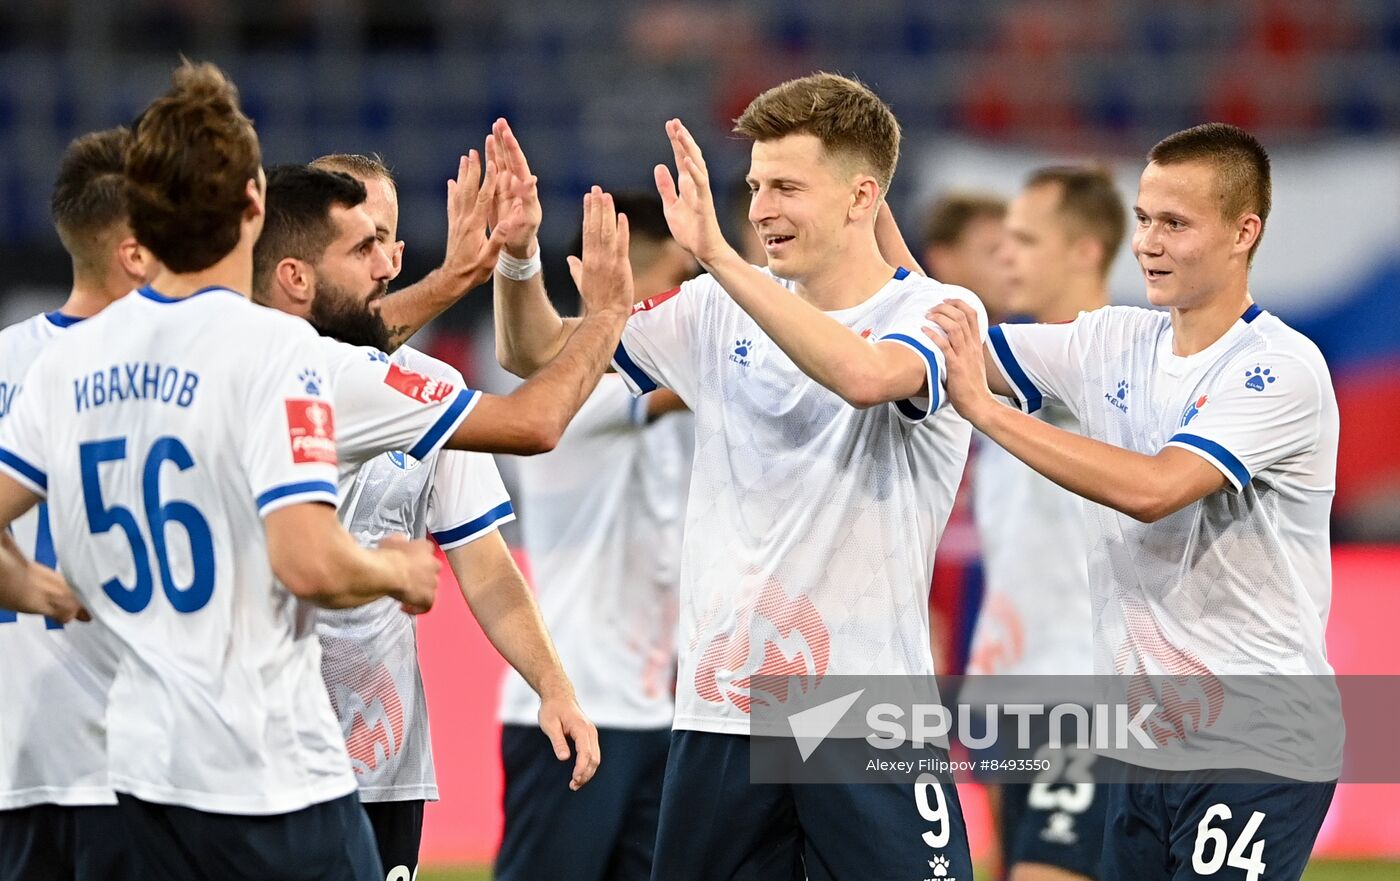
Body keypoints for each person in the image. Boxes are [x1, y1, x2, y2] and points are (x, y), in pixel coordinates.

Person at [492, 75, 985, 880]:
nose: (759, 209)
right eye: (754, 186)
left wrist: (717, 256)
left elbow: (861, 375)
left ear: (863, 196)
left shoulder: (934, 312)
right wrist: (516, 259)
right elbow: (537, 351)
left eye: (787, 186)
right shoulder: (712, 312)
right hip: (721, 712)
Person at [0, 61, 441, 881]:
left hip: (137, 775)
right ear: (253, 204)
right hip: (269, 773)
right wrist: (394, 568)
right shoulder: (275, 350)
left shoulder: (66, 365)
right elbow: (307, 558)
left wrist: (27, 585)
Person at [927, 123, 1340, 881]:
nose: (1148, 242)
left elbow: (1156, 489)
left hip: (1255, 743)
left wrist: (989, 413)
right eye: (1145, 218)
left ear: (1244, 231)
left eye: (1175, 224)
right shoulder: (1111, 341)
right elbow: (944, 356)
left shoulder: (1280, 368)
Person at [253, 161, 592, 881]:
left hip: (383, 758)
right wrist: (609, 312)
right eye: (362, 244)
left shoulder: (436, 395)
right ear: (302, 268)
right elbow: (535, 421)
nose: (383, 263)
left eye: (390, 242)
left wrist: (553, 684)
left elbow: (486, 562)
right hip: (274, 747)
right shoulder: (296, 370)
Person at [495, 192, 692, 881]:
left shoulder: (659, 411)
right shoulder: (585, 392)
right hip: (571, 704)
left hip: (648, 709)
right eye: (682, 279)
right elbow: (530, 346)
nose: (693, 302)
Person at [963, 165, 1125, 881]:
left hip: (1085, 686)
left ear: (1086, 250)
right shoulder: (1008, 370)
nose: (1006, 257)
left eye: (1025, 240)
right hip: (1012, 683)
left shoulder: (1118, 359)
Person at [0, 127, 153, 881]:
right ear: (135, 248)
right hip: (130, 758)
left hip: (12, 757)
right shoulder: (158, 375)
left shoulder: (3, 360)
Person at [921, 191, 1012, 321]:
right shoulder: (900, 332)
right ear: (943, 260)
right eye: (993, 250)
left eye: (1014, 251)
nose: (1009, 261)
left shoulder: (1032, 332)